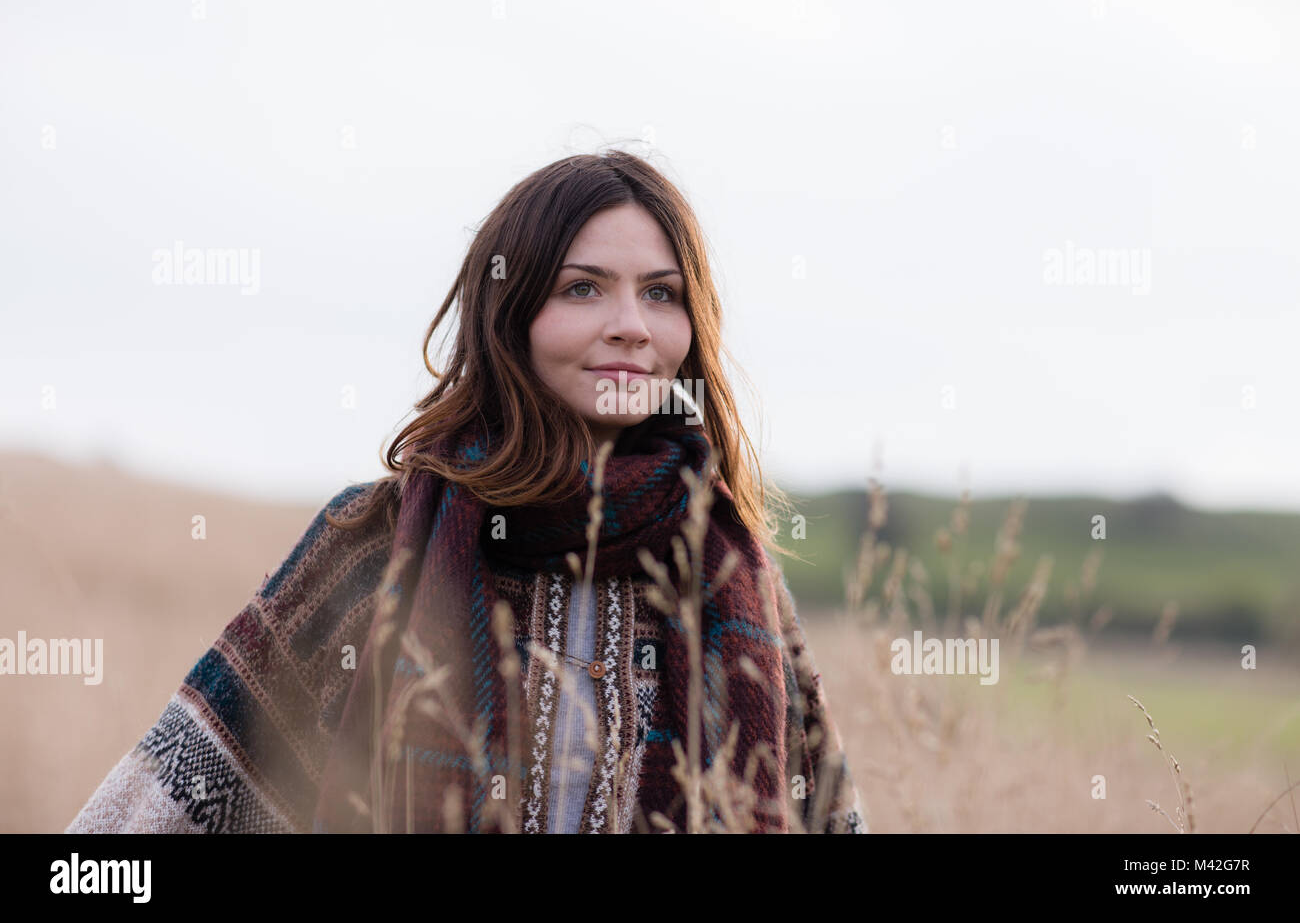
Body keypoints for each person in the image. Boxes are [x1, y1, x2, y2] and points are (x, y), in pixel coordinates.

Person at [65, 150, 866, 834]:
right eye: (583, 287)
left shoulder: (729, 572)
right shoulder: (374, 539)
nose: (632, 324)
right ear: (509, 314)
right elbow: (166, 803)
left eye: (661, 293)